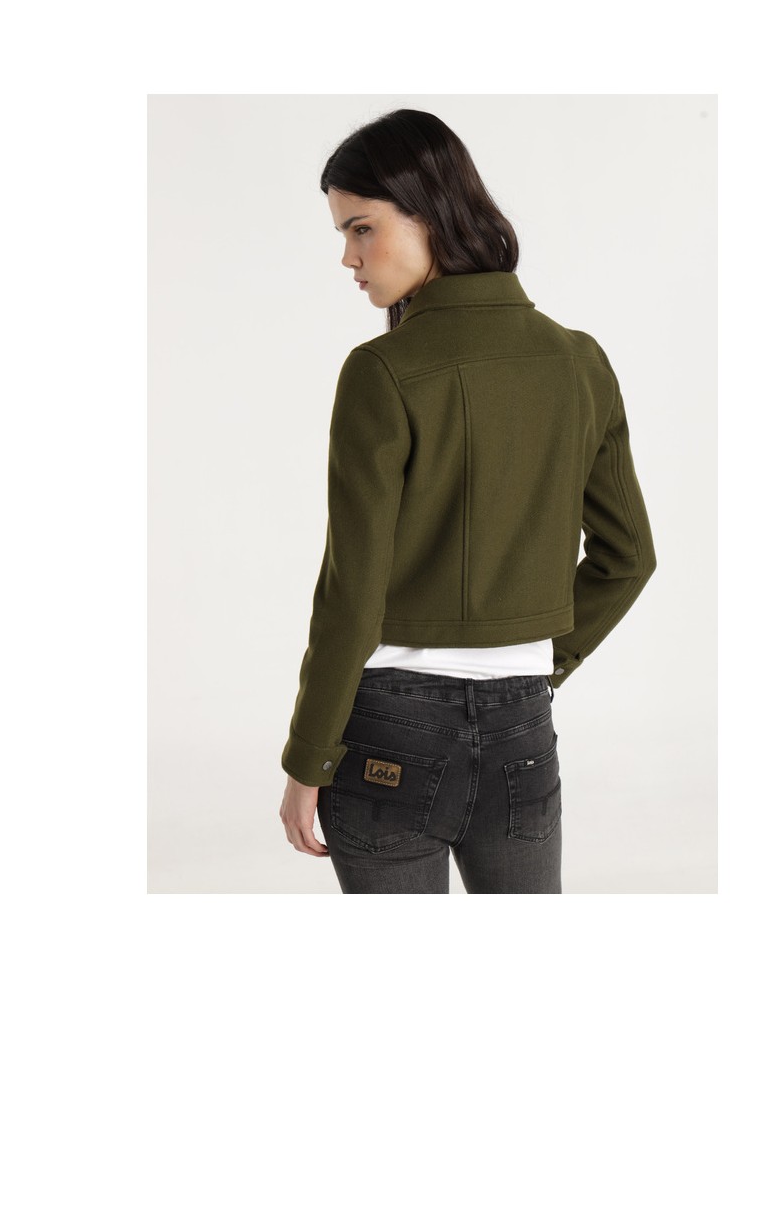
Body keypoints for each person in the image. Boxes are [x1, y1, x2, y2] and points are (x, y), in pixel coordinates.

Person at [278, 108, 657, 892]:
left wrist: (307, 759)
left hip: (389, 732)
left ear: (429, 212)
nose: (348, 257)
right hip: (523, 731)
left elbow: (353, 592)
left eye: (360, 228)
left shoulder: (382, 371)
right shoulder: (580, 363)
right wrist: (537, 666)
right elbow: (628, 559)